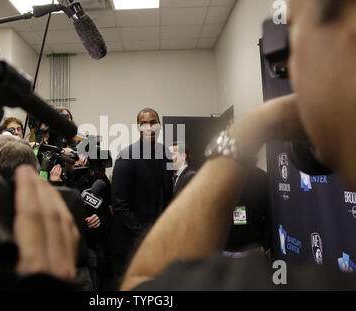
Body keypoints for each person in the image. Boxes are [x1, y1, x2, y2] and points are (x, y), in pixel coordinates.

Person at [121, 0, 356, 291]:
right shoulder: (126, 158)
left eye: (290, 36)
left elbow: (143, 285)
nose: (283, 58)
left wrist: (251, 129)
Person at [107, 108, 173, 289]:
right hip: (128, 246)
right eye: (144, 123)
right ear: (138, 128)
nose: (149, 127)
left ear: (159, 126)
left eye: (153, 122)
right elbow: (120, 206)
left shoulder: (165, 154)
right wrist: (146, 234)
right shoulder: (126, 157)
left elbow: (167, 197)